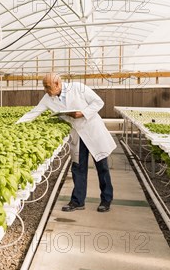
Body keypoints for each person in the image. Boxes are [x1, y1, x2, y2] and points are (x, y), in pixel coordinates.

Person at [16, 73, 116, 212]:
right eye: (44, 87)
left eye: (48, 87)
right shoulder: (48, 98)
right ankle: (77, 201)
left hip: (92, 130)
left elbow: (98, 102)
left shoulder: (78, 88)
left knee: (102, 167)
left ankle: (106, 200)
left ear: (57, 84)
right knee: (78, 167)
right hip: (76, 133)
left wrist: (83, 113)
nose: (45, 90)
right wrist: (16, 125)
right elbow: (34, 112)